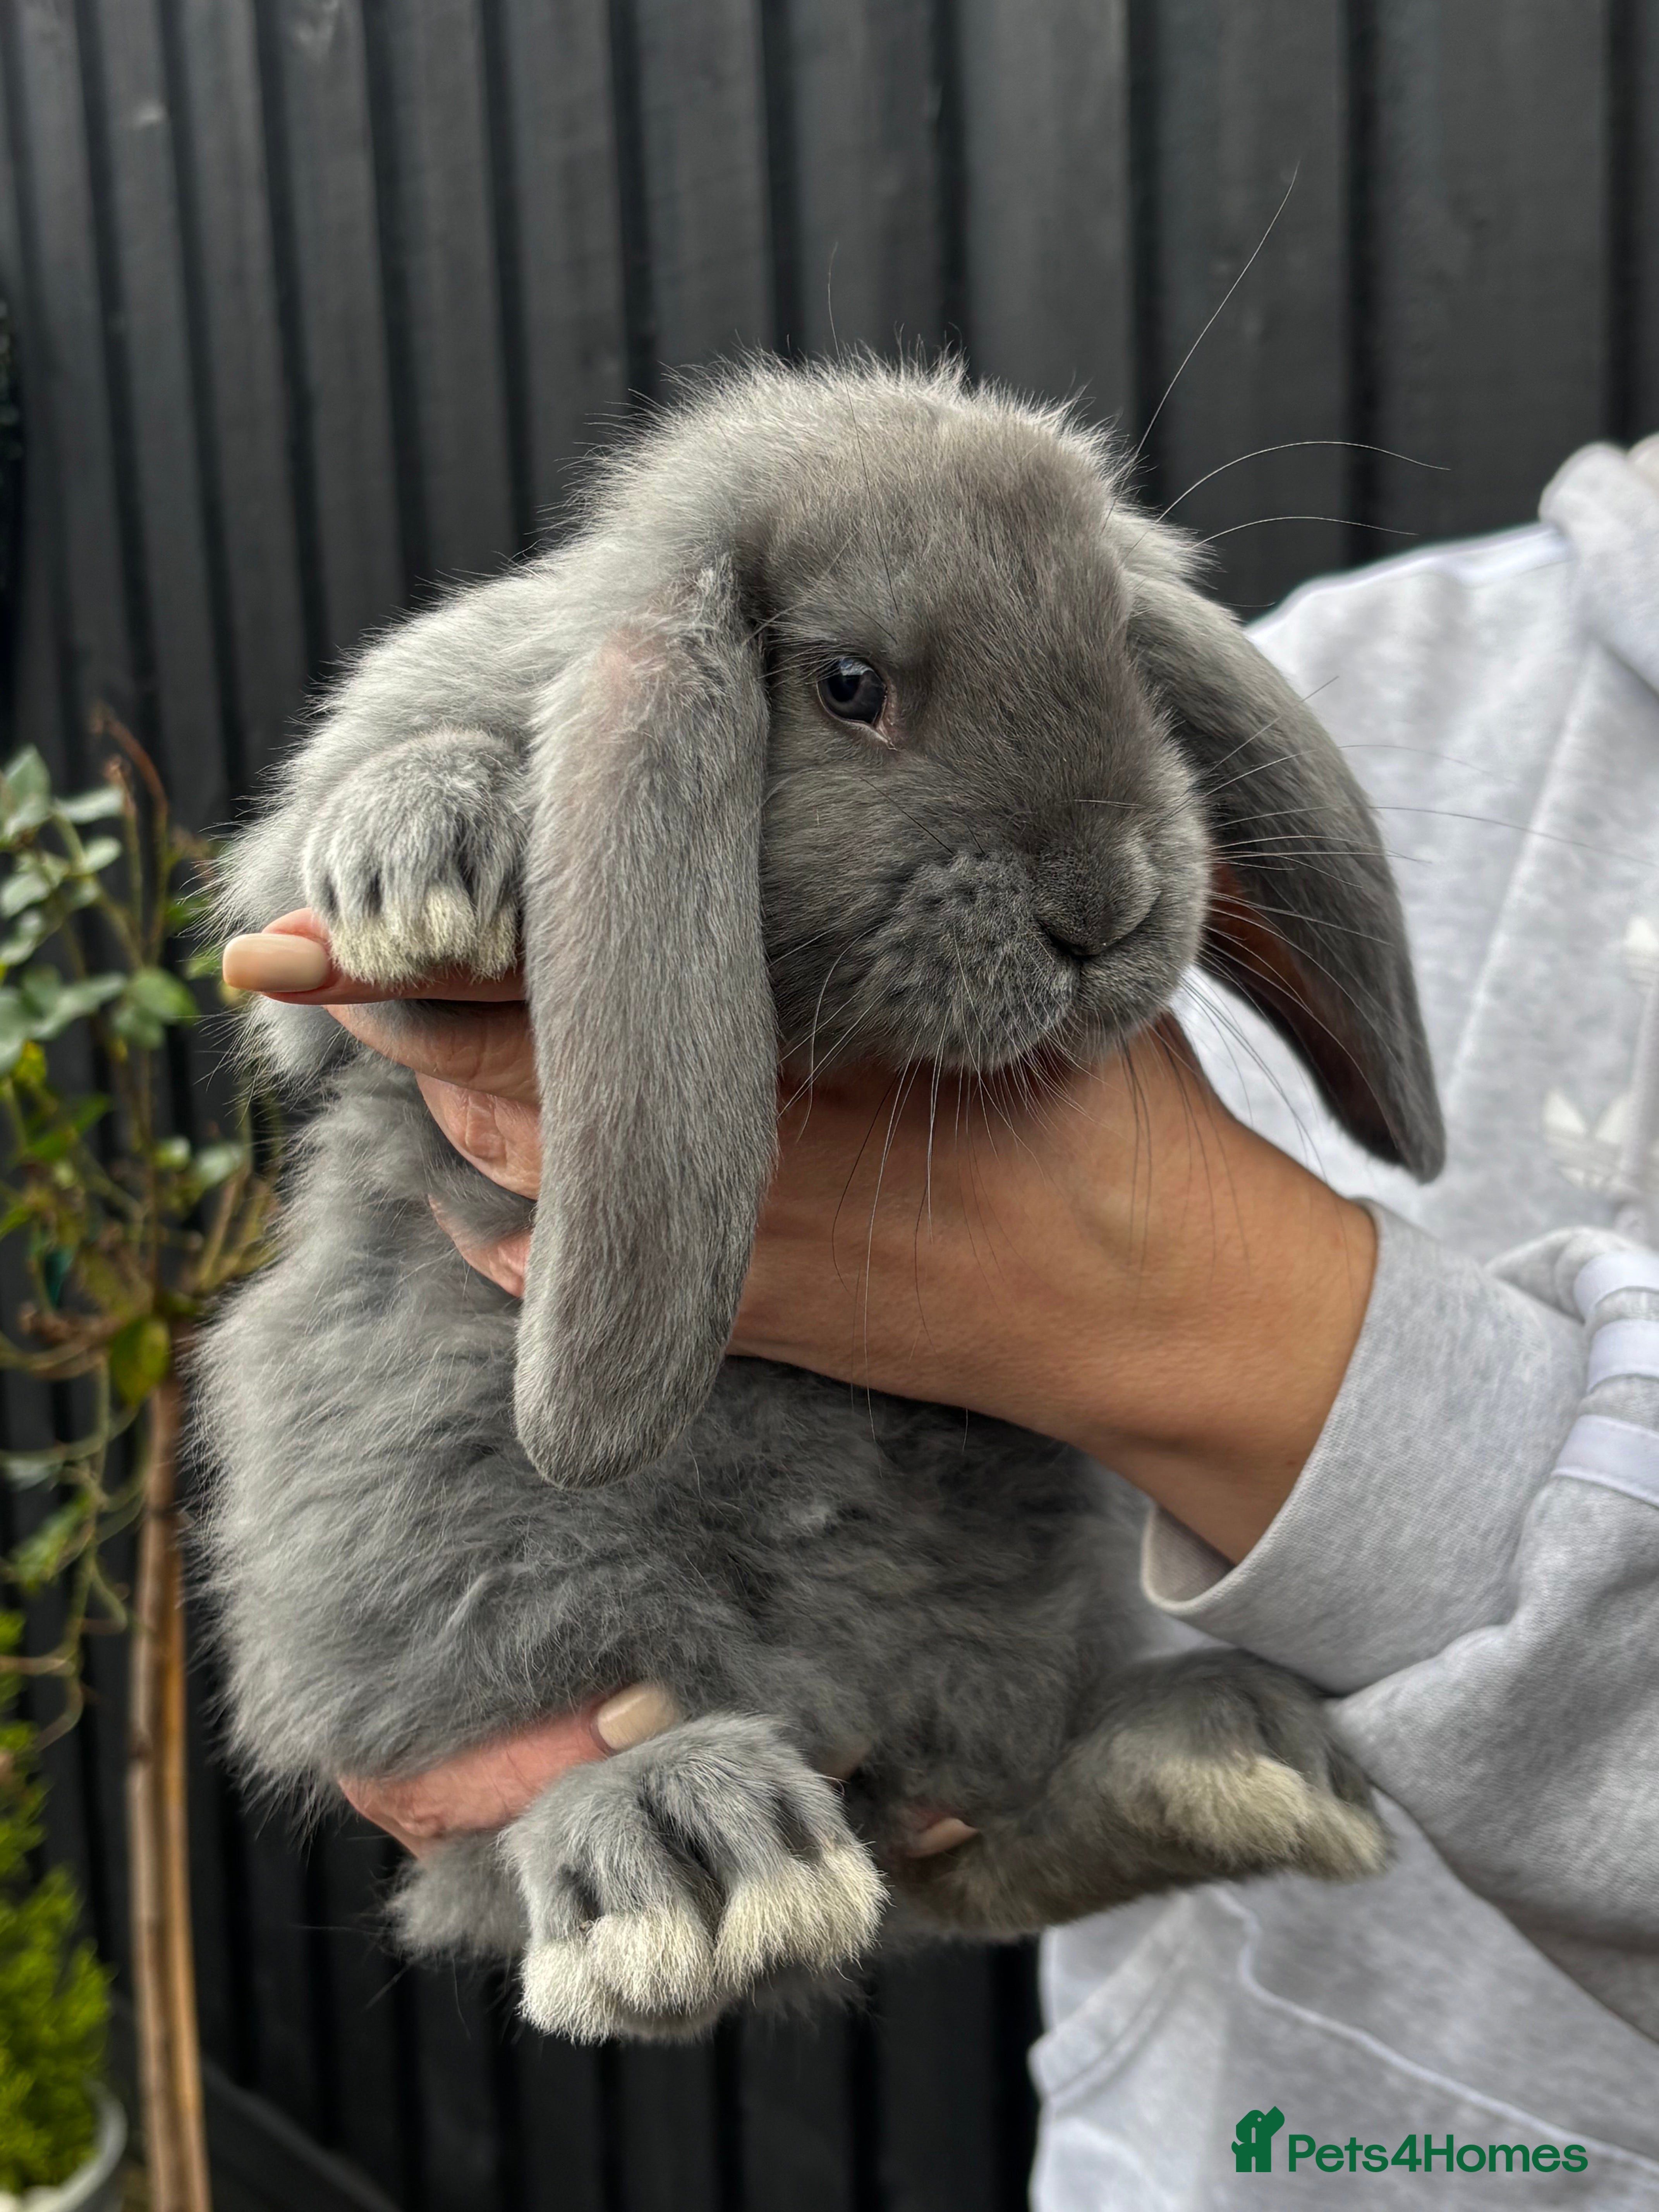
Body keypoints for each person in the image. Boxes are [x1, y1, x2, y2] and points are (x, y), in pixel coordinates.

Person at [223, 436, 1659, 2202]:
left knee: (1008, 1578)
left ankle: (1013, 1809)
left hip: (976, 1604)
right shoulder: (1395, 652)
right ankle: (654, 1834)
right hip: (576, 1502)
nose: (1104, 898)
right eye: (856, 696)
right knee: (483, 1539)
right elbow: (307, 982)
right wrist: (418, 826)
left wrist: (1210, 1309)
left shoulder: (1206, 729)